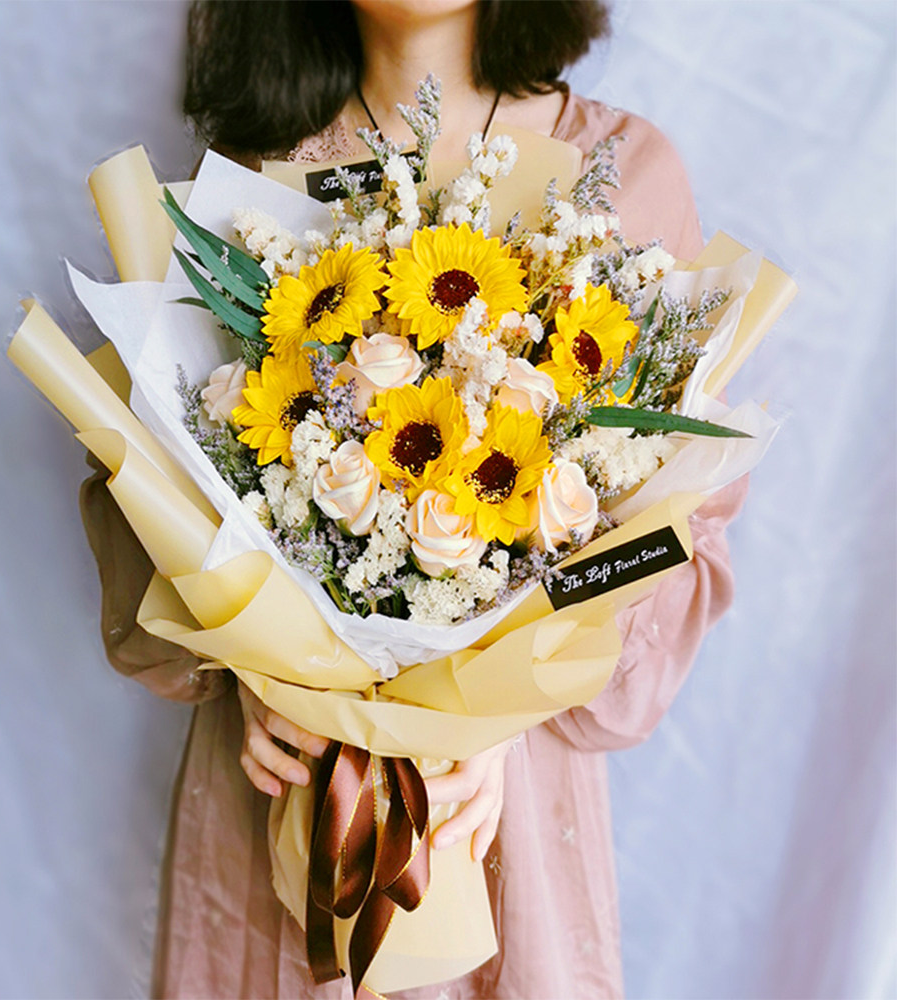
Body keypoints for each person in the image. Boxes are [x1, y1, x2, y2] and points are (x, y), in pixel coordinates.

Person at [80, 1, 747, 996]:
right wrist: (247, 672)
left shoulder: (624, 172)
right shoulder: (246, 186)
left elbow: (671, 535)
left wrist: (499, 711)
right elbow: (150, 490)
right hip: (282, 787)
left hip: (503, 814)